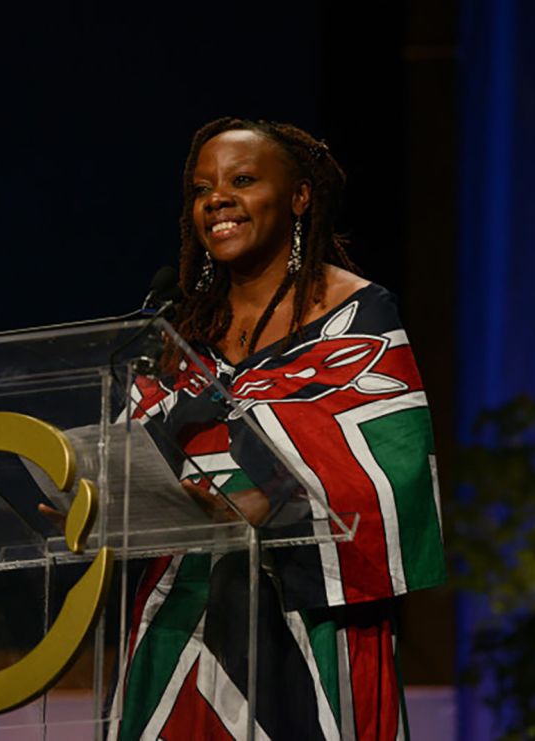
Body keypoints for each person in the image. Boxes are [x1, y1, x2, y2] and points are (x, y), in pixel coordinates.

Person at [109, 118, 447, 740]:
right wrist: (95, 501)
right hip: (182, 612)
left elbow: (394, 455)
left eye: (242, 180)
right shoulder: (177, 330)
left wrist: (264, 500)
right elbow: (137, 452)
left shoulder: (355, 314)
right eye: (201, 187)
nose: (217, 199)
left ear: (299, 197)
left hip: (308, 611)